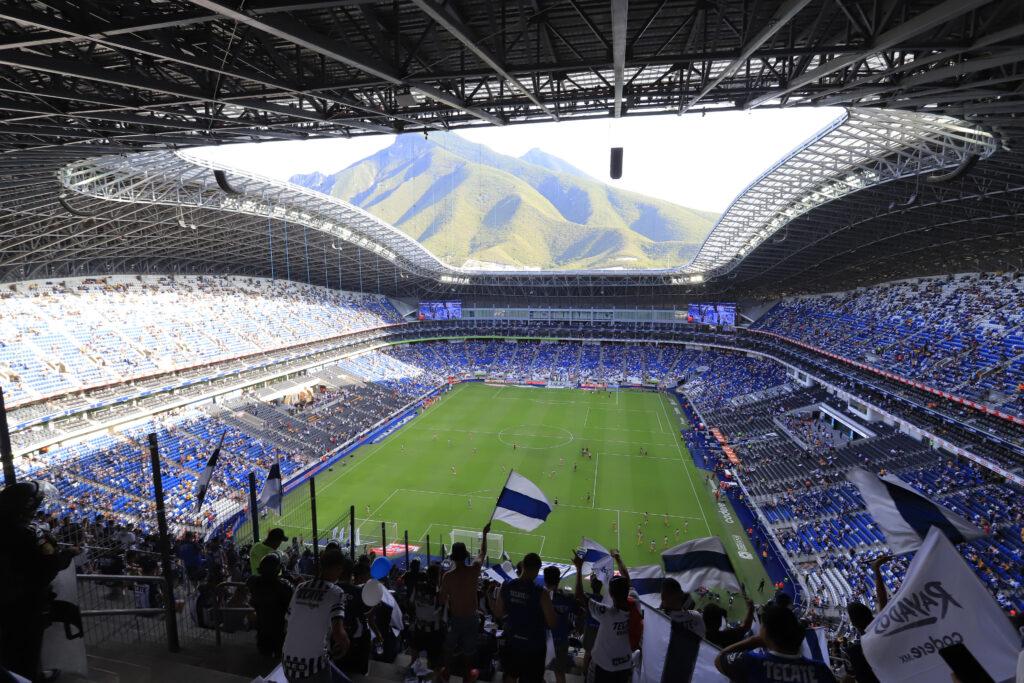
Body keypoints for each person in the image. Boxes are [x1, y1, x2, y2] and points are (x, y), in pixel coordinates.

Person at [0, 481, 78, 683]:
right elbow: (47, 568)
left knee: (7, 645)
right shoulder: (29, 534)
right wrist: (68, 554)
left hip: (5, 600)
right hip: (26, 602)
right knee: (26, 647)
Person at [714, 604, 836, 682]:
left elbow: (719, 659)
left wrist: (753, 641)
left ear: (767, 632)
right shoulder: (821, 670)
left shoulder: (752, 662)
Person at [281, 548, 349, 683]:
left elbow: (286, 625)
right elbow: (338, 633)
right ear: (338, 568)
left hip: (286, 662)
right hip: (313, 667)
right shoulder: (336, 592)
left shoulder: (300, 587)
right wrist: (346, 644)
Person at [493, 553, 557, 683]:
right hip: (534, 647)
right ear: (537, 570)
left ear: (522, 565)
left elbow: (498, 613)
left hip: (512, 641)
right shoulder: (541, 593)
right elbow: (552, 623)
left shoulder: (506, 585)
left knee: (510, 676)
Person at [573, 549, 634, 683]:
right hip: (624, 666)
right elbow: (627, 581)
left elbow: (579, 595)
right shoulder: (634, 607)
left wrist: (579, 568)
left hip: (603, 666)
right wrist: (618, 559)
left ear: (610, 594)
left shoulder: (606, 613)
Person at [439, 523, 489, 679]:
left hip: (455, 618)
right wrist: (484, 534)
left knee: (449, 647)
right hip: (471, 618)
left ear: (453, 557)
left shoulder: (447, 577)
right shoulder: (474, 570)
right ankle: (467, 676)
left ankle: (446, 673)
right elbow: (483, 553)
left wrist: (451, 597)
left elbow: (442, 600)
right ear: (465, 556)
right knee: (469, 650)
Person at [247, 553, 294, 659]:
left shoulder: (253, 581)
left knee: (264, 653)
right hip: (279, 629)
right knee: (279, 655)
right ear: (277, 570)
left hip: (261, 626)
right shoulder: (284, 586)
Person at [544, 566, 576, 683]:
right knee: (560, 673)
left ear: (545, 580)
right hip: (561, 640)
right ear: (558, 580)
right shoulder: (567, 597)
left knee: (538, 670)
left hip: (543, 640)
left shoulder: (539, 596)